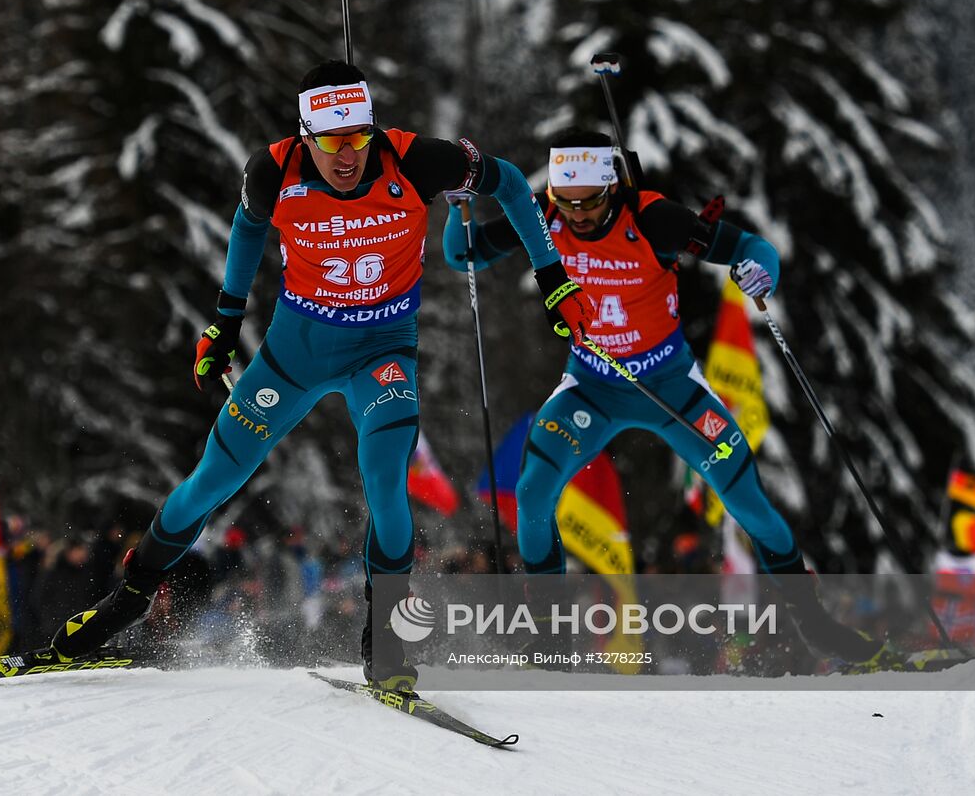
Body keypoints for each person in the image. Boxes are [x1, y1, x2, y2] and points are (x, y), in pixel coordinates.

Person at [47, 60, 594, 690]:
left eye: (359, 137)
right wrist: (225, 323)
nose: (348, 156)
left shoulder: (415, 160)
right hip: (295, 352)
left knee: (388, 482)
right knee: (210, 481)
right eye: (332, 142)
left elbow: (511, 187)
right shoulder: (273, 170)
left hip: (382, 351)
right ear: (307, 135)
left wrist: (554, 278)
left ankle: (383, 637)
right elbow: (249, 225)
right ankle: (129, 599)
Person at [443, 127, 881, 664]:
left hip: (671, 389)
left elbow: (750, 246)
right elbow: (465, 254)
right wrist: (457, 207)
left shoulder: (652, 218)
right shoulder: (543, 216)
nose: (577, 217)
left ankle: (815, 625)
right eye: (567, 202)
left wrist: (760, 271)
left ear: (611, 187)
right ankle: (550, 637)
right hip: (592, 387)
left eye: (591, 203)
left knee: (749, 504)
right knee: (533, 492)